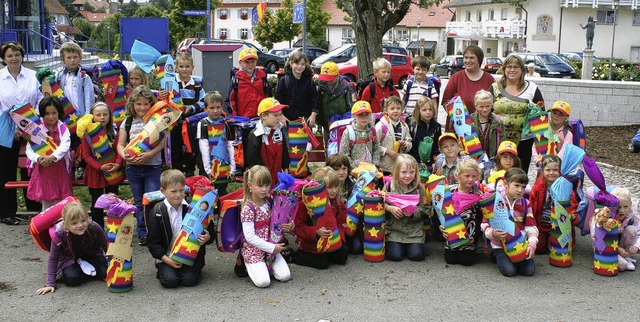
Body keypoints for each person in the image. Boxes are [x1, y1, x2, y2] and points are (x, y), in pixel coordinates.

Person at [147, 169, 214, 288]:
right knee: (170, 281)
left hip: (190, 254)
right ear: (163, 191)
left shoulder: (194, 207)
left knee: (189, 281)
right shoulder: (157, 211)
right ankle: (163, 268)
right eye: (173, 191)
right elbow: (153, 243)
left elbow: (210, 233)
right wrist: (166, 260)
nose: (178, 195)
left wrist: (207, 237)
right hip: (167, 255)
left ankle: (190, 271)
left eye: (181, 190)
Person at [0, 41, 43, 225]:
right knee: (5, 171)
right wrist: (15, 126)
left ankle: (34, 210)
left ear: (22, 56)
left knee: (32, 169)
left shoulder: (33, 76)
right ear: (3, 59)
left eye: (17, 54)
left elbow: (41, 100)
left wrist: (28, 125)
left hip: (33, 127)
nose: (14, 58)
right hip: (6, 129)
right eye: (9, 55)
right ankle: (6, 212)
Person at [116, 86, 163, 246]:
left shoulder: (156, 121)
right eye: (139, 104)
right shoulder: (127, 122)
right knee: (138, 201)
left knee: (151, 200)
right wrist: (125, 156)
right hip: (133, 168)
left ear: (152, 104)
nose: (142, 107)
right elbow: (120, 144)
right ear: (132, 104)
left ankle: (154, 231)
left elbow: (162, 143)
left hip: (152, 167)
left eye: (146, 104)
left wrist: (150, 154)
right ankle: (142, 232)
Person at [35, 202, 108, 295]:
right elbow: (53, 258)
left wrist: (116, 267)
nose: (80, 225)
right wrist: (50, 283)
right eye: (74, 223)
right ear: (66, 224)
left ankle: (89, 270)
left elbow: (106, 247)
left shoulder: (94, 227)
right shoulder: (59, 233)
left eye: (83, 220)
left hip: (92, 255)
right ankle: (85, 271)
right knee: (73, 279)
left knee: (106, 273)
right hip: (69, 259)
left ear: (87, 218)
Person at [490, 54, 544, 173]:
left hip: (524, 141)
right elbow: (486, 111)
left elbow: (540, 116)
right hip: (499, 139)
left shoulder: (532, 89)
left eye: (516, 67)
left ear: (522, 70)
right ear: (504, 69)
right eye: (509, 67)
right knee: (498, 173)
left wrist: (542, 148)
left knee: (520, 174)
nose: (512, 70)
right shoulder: (494, 88)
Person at [240, 165, 292, 287]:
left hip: (272, 246)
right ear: (250, 185)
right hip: (255, 250)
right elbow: (250, 237)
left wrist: (290, 225)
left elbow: (284, 216)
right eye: (260, 185)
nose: (264, 189)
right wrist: (272, 248)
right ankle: (247, 263)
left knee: (285, 276)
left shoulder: (271, 201)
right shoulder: (248, 208)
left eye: (267, 185)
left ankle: (266, 264)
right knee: (263, 282)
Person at [482, 168, 538, 277]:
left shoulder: (526, 203)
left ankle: (514, 260)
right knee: (510, 271)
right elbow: (484, 224)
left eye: (523, 187)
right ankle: (497, 255)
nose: (520, 190)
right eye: (516, 186)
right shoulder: (495, 201)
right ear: (506, 184)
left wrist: (532, 243)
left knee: (528, 272)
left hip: (520, 243)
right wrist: (492, 233)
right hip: (500, 244)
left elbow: (531, 226)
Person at [292, 167, 348, 268]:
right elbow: (299, 227)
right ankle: (294, 256)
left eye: (336, 187)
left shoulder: (335, 201)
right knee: (322, 263)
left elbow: (341, 217)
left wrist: (341, 229)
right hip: (312, 243)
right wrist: (316, 232)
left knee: (342, 257)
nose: (334, 191)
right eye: (330, 187)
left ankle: (329, 253)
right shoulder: (305, 204)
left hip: (332, 239)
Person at [26, 96, 73, 211]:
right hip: (43, 169)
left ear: (59, 112)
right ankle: (47, 225)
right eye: (47, 113)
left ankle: (62, 225)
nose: (51, 117)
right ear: (42, 114)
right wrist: (38, 158)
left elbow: (65, 145)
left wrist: (52, 157)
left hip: (58, 169)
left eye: (54, 113)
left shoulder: (62, 128)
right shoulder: (37, 129)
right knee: (47, 200)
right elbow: (29, 148)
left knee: (62, 201)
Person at [81, 102, 123, 228]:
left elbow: (120, 150)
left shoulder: (115, 132)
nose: (102, 117)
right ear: (92, 117)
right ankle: (97, 228)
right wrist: (99, 167)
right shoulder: (87, 135)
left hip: (113, 171)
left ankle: (113, 228)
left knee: (112, 201)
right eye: (98, 115)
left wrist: (118, 164)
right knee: (97, 203)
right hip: (96, 173)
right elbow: (86, 156)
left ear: (110, 116)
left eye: (105, 114)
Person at [438, 158, 484, 265]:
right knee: (450, 260)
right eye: (467, 176)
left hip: (469, 236)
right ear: (457, 175)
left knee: (466, 261)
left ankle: (471, 248)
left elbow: (480, 218)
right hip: (452, 234)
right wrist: (441, 227)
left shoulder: (478, 195)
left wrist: (475, 237)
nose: (470, 179)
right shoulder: (450, 192)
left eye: (474, 176)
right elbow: (441, 212)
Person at [529, 155, 578, 254]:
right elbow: (532, 207)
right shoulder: (537, 188)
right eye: (548, 170)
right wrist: (531, 226)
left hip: (559, 227)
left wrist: (572, 215)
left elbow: (573, 206)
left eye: (555, 170)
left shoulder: (566, 188)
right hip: (541, 225)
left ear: (560, 171)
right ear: (542, 171)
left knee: (560, 249)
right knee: (538, 248)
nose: (551, 173)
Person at [384, 154, 428, 261]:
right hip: (394, 231)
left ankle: (412, 247)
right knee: (395, 256)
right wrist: (390, 208)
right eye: (403, 172)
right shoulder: (389, 186)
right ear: (396, 172)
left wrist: (413, 213)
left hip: (414, 232)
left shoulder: (419, 188)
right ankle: (399, 247)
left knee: (416, 256)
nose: (408, 176)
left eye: (412, 172)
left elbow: (426, 209)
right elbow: (380, 203)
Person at [441, 45, 495, 131]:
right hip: (459, 129)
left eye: (472, 58)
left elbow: (494, 105)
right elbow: (445, 101)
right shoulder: (456, 78)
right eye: (466, 57)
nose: (468, 61)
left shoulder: (489, 79)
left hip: (483, 129)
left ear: (479, 60)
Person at [197, 91, 235, 196]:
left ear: (222, 107)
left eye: (218, 107)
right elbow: (203, 148)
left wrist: (233, 167)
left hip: (223, 165)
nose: (215, 111)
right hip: (208, 165)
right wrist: (208, 169)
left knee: (222, 192)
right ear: (205, 109)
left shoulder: (227, 123)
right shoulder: (203, 124)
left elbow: (231, 146)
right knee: (207, 193)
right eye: (212, 108)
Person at [173, 53, 205, 177]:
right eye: (181, 66)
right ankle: (177, 169)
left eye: (187, 66)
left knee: (190, 145)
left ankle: (190, 169)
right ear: (176, 68)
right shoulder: (173, 82)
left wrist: (191, 108)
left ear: (192, 67)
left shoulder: (197, 84)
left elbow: (203, 101)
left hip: (190, 122)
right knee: (176, 145)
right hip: (176, 121)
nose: (184, 69)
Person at [245, 98, 290, 186]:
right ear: (264, 116)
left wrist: (285, 169)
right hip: (262, 181)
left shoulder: (279, 131)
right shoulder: (255, 135)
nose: (278, 118)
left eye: (280, 114)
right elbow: (252, 161)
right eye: (275, 115)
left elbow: (285, 154)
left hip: (278, 178)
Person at [275, 50, 319, 126]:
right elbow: (278, 101)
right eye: (297, 63)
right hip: (287, 120)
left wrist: (313, 115)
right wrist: (281, 116)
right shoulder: (284, 80)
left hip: (305, 120)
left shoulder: (309, 81)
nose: (299, 66)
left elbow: (314, 99)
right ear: (291, 63)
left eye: (302, 64)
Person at [55, 42, 95, 118]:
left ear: (80, 58)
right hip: (64, 117)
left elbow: (89, 100)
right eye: (69, 57)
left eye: (75, 57)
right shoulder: (58, 76)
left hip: (81, 117)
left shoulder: (85, 77)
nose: (72, 60)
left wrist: (87, 117)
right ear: (63, 59)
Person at [228, 48, 270, 118]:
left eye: (252, 62)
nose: (250, 65)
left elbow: (268, 96)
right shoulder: (237, 79)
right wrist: (235, 116)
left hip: (261, 118)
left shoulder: (262, 77)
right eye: (247, 62)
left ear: (256, 62)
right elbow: (230, 99)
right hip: (243, 119)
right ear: (240, 63)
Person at [376, 96, 412, 174]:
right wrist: (387, 151)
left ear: (402, 110)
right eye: (392, 108)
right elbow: (374, 145)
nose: (395, 111)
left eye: (398, 108)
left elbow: (409, 141)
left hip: (400, 166)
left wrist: (405, 145)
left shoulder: (404, 126)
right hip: (384, 166)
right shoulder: (381, 126)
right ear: (386, 110)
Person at [339, 101, 380, 169]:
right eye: (360, 115)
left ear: (370, 115)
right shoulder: (348, 132)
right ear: (354, 116)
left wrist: (375, 165)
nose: (364, 117)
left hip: (371, 171)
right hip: (353, 172)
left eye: (366, 114)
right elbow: (344, 154)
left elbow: (376, 149)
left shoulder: (372, 131)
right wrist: (355, 169)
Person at [532, 100, 573, 167]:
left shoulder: (567, 134)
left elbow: (565, 151)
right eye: (554, 113)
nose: (556, 116)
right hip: (542, 166)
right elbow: (535, 146)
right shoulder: (543, 129)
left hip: (557, 167)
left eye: (560, 115)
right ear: (550, 113)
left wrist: (553, 163)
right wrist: (538, 161)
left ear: (566, 117)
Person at [317, 61, 354, 130]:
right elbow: (318, 104)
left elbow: (353, 106)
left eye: (330, 78)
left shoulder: (347, 86)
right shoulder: (320, 87)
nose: (327, 81)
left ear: (337, 76)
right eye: (325, 77)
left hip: (343, 123)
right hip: (326, 123)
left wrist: (347, 118)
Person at [407, 96, 441, 169]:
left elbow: (437, 145)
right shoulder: (413, 125)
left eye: (430, 109)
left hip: (430, 163)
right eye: (424, 110)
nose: (428, 112)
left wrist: (435, 160)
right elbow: (411, 144)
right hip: (414, 161)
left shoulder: (437, 127)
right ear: (418, 111)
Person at [611, 187, 639, 272]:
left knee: (632, 229)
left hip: (622, 244)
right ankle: (617, 257)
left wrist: (636, 246)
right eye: (618, 207)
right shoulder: (606, 216)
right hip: (609, 247)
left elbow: (639, 233)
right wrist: (617, 249)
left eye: (626, 206)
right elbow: (601, 238)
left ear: (630, 204)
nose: (622, 211)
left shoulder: (633, 217)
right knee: (622, 266)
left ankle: (626, 255)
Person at [470, 90, 504, 161]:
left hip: (492, 158)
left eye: (487, 106)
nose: (485, 109)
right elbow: (460, 140)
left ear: (492, 105)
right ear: (476, 105)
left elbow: (502, 142)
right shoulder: (469, 121)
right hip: (473, 159)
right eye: (481, 107)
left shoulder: (498, 122)